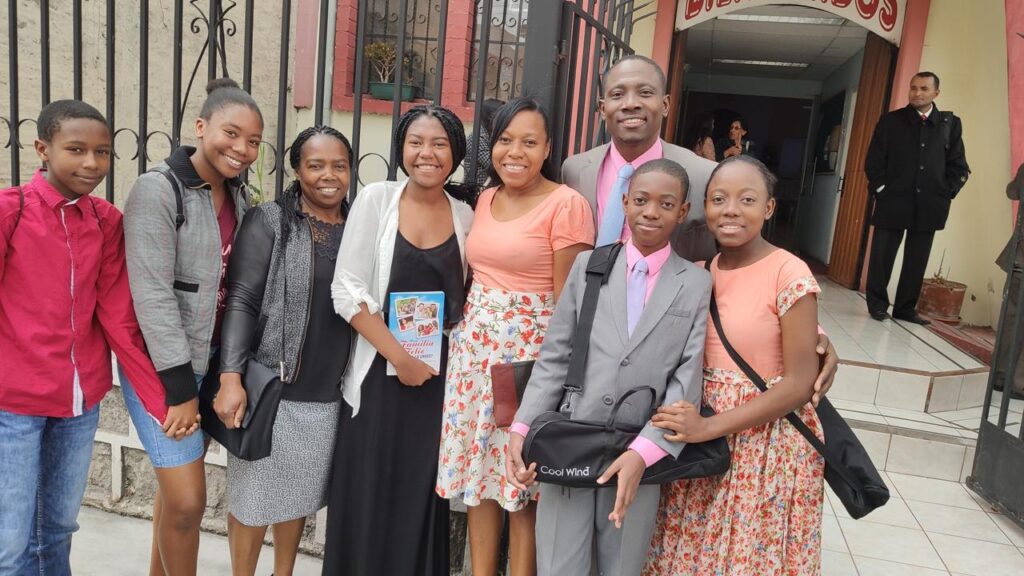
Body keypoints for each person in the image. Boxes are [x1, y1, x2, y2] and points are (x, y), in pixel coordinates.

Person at [560, 55, 838, 404]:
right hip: (589, 336)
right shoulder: (575, 170)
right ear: (603, 107)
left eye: (644, 92)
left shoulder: (704, 175)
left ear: (665, 104)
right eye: (618, 94)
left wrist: (808, 328)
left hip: (663, 349)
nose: (630, 103)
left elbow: (743, 259)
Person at [507, 158, 711, 576]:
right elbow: (555, 355)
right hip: (572, 440)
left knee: (621, 564)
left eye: (666, 204)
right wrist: (522, 428)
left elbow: (685, 381)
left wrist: (644, 452)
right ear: (624, 202)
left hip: (638, 450)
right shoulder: (590, 267)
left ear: (683, 211)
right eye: (641, 200)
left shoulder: (694, 283)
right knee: (560, 562)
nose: (651, 212)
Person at [0, 100, 174, 573]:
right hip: (13, 405)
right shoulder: (9, 212)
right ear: (42, 148)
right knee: (10, 543)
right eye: (76, 149)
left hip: (81, 402)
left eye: (102, 152)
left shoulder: (105, 221)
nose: (91, 163)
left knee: (56, 529)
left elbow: (119, 320)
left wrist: (162, 401)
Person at [436, 98, 595, 576]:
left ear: (547, 148)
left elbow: (571, 303)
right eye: (506, 140)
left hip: (527, 360)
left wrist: (558, 376)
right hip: (472, 359)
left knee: (521, 487)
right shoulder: (484, 199)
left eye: (529, 141)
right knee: (479, 482)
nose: (515, 152)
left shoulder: (567, 205)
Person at [645, 155, 823, 575]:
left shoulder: (788, 272)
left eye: (747, 199)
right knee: (688, 555)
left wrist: (708, 427)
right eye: (718, 198)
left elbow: (800, 382)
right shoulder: (697, 272)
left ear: (769, 207)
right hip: (700, 445)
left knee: (744, 560)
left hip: (763, 447)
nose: (730, 210)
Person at [324, 105, 476, 576]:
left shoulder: (467, 215)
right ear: (401, 149)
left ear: (456, 153)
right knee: (370, 487)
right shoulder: (376, 200)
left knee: (419, 492)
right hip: (380, 376)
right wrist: (400, 357)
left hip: (440, 382)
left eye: (439, 144)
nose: (426, 154)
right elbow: (346, 290)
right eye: (416, 142)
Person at [122, 78, 262, 576]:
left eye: (253, 142)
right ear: (201, 127)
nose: (242, 149)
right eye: (231, 133)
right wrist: (180, 388)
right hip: (163, 372)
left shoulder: (238, 197)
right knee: (187, 502)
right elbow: (153, 295)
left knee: (173, 493)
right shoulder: (158, 189)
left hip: (210, 364)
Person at [213, 126, 353, 576]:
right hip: (272, 385)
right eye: (315, 165)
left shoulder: (359, 227)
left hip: (329, 388)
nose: (328, 176)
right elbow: (242, 299)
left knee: (298, 495)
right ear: (297, 170)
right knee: (253, 500)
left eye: (338, 165)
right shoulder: (270, 220)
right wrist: (231, 377)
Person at [864, 71, 970, 324]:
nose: (917, 93)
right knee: (882, 257)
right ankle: (877, 305)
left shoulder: (949, 124)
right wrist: (881, 189)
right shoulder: (890, 121)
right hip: (893, 201)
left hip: (930, 204)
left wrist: (947, 192)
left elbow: (959, 165)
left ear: (936, 93)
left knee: (917, 259)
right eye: (913, 88)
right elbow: (874, 161)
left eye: (923, 88)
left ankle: (905, 308)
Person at [994, 162, 1024, 398]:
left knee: (1011, 318)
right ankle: (1018, 384)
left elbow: (1012, 191)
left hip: (1020, 258)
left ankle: (1001, 376)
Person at [464, 98, 506, 188]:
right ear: (491, 117)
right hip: (477, 190)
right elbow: (494, 165)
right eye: (501, 116)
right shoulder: (478, 138)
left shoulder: (491, 135)